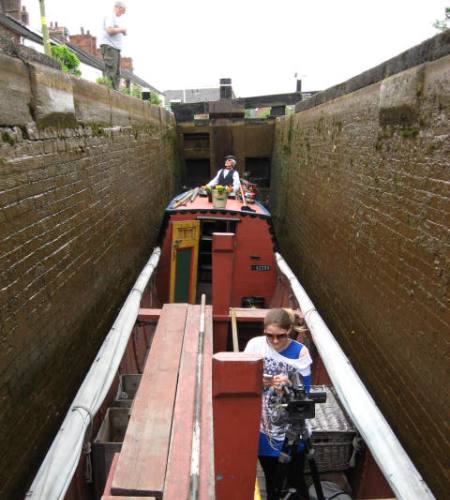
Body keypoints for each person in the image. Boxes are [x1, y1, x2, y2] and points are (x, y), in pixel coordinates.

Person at [244, 308, 313, 500]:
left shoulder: (300, 352)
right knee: (271, 477)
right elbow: (243, 380)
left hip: (291, 431)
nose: (275, 341)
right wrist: (263, 381)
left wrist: (287, 389)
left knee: (295, 480)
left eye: (280, 336)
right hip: (263, 429)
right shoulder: (255, 345)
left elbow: (305, 395)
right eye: (270, 336)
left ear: (290, 330)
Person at [99, 1, 127, 90]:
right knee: (111, 72)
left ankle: (115, 94)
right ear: (118, 8)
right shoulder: (110, 16)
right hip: (110, 47)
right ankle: (110, 94)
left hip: (115, 49)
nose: (122, 14)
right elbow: (109, 31)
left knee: (116, 74)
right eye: (122, 11)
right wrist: (121, 29)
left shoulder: (114, 18)